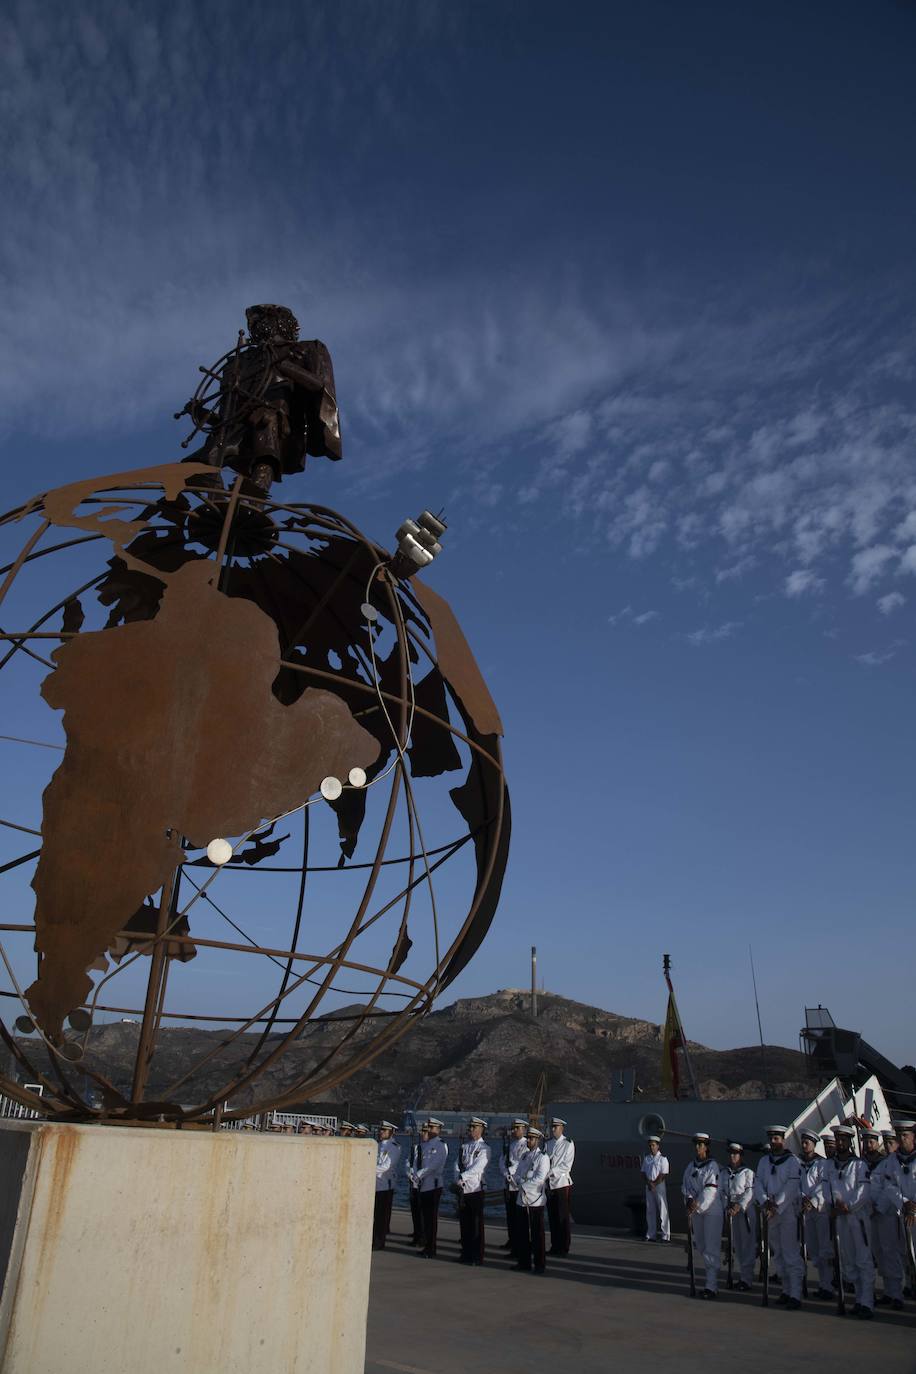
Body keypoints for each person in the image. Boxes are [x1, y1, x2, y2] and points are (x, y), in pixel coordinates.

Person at [823, 1123, 875, 1318]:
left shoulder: (859, 1165)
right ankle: (859, 1299)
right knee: (848, 1260)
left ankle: (867, 1302)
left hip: (857, 1217)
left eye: (843, 1140)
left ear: (849, 1142)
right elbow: (826, 1189)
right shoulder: (829, 1165)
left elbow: (864, 1191)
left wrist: (848, 1206)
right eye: (838, 1140)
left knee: (863, 1259)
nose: (840, 1143)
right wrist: (833, 1205)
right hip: (840, 1217)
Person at [754, 1125, 803, 1309]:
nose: (774, 1142)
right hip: (769, 1212)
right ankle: (786, 1289)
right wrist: (765, 1201)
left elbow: (792, 1186)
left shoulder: (792, 1162)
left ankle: (796, 1294)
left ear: (783, 1140)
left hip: (786, 1211)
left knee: (790, 1253)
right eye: (771, 1139)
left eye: (777, 1139)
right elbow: (757, 1182)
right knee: (779, 1254)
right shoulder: (764, 1161)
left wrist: (777, 1205)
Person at [877, 1120, 916, 1309]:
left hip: (915, 1213)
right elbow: (889, 1185)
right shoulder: (892, 1161)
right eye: (899, 1135)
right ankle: (897, 1293)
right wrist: (904, 1202)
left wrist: (913, 1205)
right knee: (899, 1254)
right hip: (901, 1212)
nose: (902, 1139)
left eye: (905, 1135)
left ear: (913, 1137)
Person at [682, 1132, 723, 1299]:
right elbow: (685, 1185)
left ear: (706, 1147)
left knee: (711, 1248)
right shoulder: (691, 1166)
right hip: (696, 1211)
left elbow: (711, 1189)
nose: (698, 1147)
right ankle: (709, 1281)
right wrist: (690, 1199)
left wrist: (696, 1204)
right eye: (696, 1144)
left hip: (711, 1210)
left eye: (701, 1145)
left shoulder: (712, 1166)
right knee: (701, 1245)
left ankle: (711, 1286)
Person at [798, 1128, 833, 1300]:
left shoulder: (822, 1164)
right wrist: (802, 1199)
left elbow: (823, 1185)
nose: (804, 1146)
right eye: (803, 1142)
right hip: (806, 1210)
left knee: (824, 1248)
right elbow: (796, 1184)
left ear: (814, 1145)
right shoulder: (798, 1163)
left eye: (807, 1143)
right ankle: (822, 1283)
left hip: (820, 1210)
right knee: (812, 1248)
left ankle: (828, 1285)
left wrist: (812, 1200)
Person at [718, 1142, 756, 1289]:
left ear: (740, 1155)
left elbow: (750, 1191)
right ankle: (741, 1276)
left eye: (736, 1154)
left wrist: (739, 1205)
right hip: (731, 1211)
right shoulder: (724, 1173)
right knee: (737, 1245)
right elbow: (720, 1191)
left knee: (747, 1245)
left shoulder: (747, 1172)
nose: (733, 1156)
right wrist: (726, 1205)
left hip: (745, 1211)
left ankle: (747, 1279)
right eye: (731, 1154)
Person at [455, 1117, 491, 1265]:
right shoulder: (465, 1146)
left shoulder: (485, 1149)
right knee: (465, 1225)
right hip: (463, 1190)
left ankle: (477, 1256)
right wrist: (456, 1178)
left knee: (476, 1226)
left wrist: (462, 1177)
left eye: (474, 1127)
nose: (471, 1129)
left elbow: (477, 1168)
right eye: (470, 1127)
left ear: (481, 1129)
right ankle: (466, 1253)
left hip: (475, 1189)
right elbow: (456, 1163)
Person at [515, 1126, 550, 1274]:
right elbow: (517, 1173)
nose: (528, 1140)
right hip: (521, 1199)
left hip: (535, 1200)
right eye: (528, 1138)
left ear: (538, 1140)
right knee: (522, 1233)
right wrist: (519, 1181)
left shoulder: (543, 1157)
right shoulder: (524, 1156)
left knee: (537, 1234)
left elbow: (540, 1178)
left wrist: (523, 1184)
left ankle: (540, 1264)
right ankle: (524, 1262)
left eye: (531, 1138)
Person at [414, 1119, 449, 1259]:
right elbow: (419, 1162)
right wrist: (417, 1174)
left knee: (431, 1219)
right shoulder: (426, 1145)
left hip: (433, 1184)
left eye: (433, 1127)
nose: (430, 1130)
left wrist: (419, 1174)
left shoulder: (441, 1145)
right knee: (425, 1218)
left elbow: (435, 1164)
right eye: (429, 1127)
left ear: (439, 1129)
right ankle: (427, 1245)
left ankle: (431, 1248)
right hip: (424, 1184)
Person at [500, 1119, 530, 1257]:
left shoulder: (525, 1145)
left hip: (517, 1184)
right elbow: (502, 1161)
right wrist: (506, 1173)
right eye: (513, 1128)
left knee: (519, 1217)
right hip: (508, 1183)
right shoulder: (511, 1145)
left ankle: (519, 1243)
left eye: (517, 1128)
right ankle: (512, 1240)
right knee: (510, 1215)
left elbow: (521, 1164)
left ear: (523, 1129)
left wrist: (510, 1172)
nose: (514, 1131)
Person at [545, 1117, 575, 1256]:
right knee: (552, 1216)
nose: (553, 1129)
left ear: (562, 1128)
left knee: (563, 1217)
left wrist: (550, 1172)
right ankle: (555, 1245)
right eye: (552, 1127)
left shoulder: (568, 1143)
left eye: (555, 1127)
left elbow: (566, 1166)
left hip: (562, 1183)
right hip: (550, 1185)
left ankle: (564, 1247)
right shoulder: (548, 1144)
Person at [372, 1122, 402, 1251]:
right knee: (375, 1215)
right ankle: (374, 1240)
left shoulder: (394, 1147)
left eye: (384, 1130)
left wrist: (368, 1168)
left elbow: (387, 1166)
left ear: (391, 1132)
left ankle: (379, 1242)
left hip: (385, 1184)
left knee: (381, 1216)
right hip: (375, 1184)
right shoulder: (378, 1145)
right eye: (381, 1129)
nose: (381, 1132)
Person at [641, 1135, 670, 1242]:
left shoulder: (663, 1159)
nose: (651, 1147)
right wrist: (649, 1183)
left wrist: (654, 1184)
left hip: (659, 1186)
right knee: (650, 1211)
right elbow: (643, 1172)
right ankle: (651, 1234)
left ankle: (665, 1235)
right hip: (649, 1186)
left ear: (658, 1146)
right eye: (650, 1145)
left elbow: (664, 1174)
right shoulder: (647, 1158)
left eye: (653, 1145)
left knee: (663, 1210)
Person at [407, 1123, 431, 1245]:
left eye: (425, 1132)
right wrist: (410, 1174)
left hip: (424, 1184)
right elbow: (409, 1162)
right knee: (415, 1212)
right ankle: (416, 1235)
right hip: (414, 1184)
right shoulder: (416, 1147)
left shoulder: (430, 1148)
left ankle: (423, 1237)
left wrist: (419, 1176)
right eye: (422, 1131)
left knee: (422, 1214)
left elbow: (430, 1166)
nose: (422, 1134)